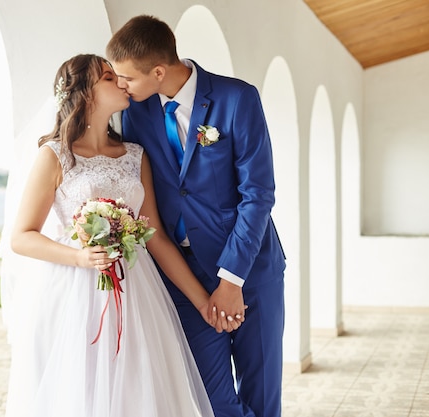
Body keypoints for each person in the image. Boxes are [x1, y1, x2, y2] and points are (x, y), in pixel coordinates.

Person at [4, 53, 219, 417]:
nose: (120, 81)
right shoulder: (56, 156)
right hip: (74, 295)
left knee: (138, 390)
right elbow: (21, 236)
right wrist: (79, 256)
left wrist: (204, 301)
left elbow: (156, 238)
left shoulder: (135, 155)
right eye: (107, 77)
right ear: (85, 93)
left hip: (137, 291)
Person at [106, 15, 287, 417]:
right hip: (186, 279)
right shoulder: (136, 114)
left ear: (158, 71)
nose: (121, 86)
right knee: (212, 399)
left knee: (262, 393)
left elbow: (258, 195)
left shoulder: (238, 98)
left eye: (126, 78)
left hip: (251, 272)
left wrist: (231, 279)